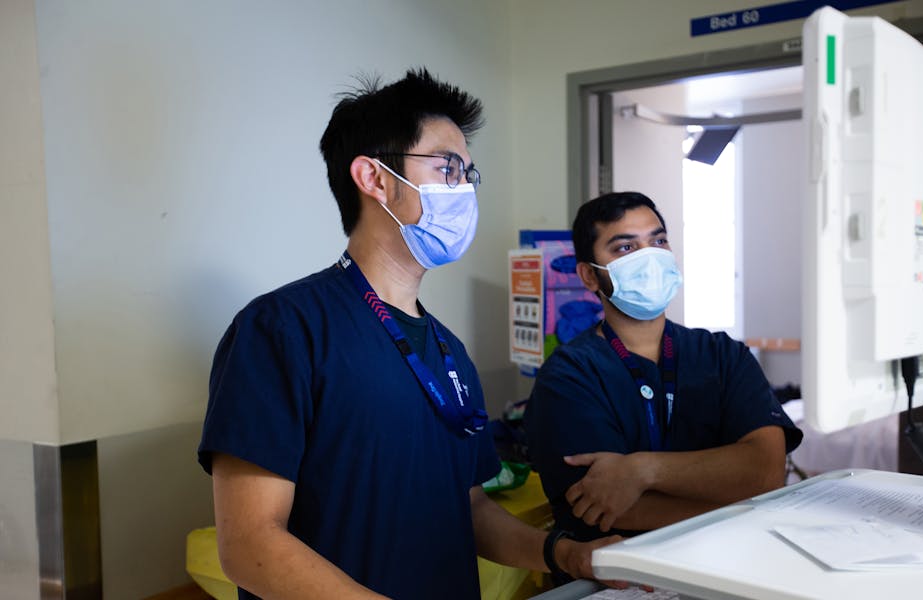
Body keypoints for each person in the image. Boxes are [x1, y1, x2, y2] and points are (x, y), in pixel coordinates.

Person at [198, 68, 617, 600]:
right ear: (374, 179)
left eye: (469, 173)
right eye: (447, 167)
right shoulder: (282, 330)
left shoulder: (449, 352)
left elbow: (470, 510)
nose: (463, 188)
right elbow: (251, 544)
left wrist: (566, 554)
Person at [524, 191, 803, 547]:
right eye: (625, 248)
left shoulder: (723, 355)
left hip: (730, 559)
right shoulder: (569, 376)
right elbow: (605, 508)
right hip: (619, 578)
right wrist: (737, 503)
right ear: (589, 276)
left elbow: (765, 472)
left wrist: (642, 470)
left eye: (658, 242)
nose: (649, 258)